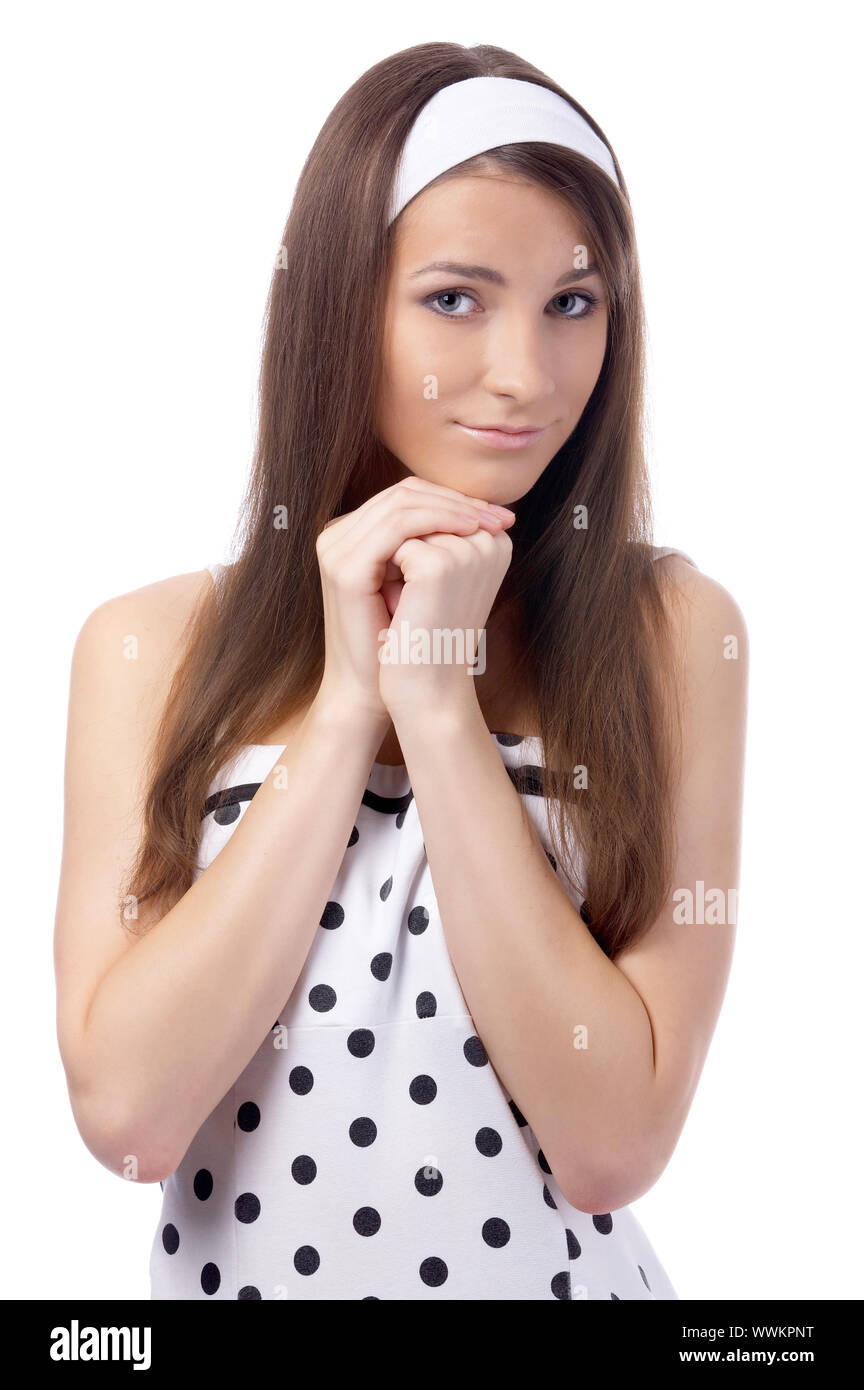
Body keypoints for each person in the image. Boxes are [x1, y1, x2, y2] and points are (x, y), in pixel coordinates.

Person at [54, 42, 748, 1301]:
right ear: (338, 305)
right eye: (455, 299)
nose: (525, 376)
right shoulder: (147, 656)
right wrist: (348, 704)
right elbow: (131, 1118)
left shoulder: (669, 633)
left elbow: (612, 1146)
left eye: (573, 303)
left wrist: (438, 705)